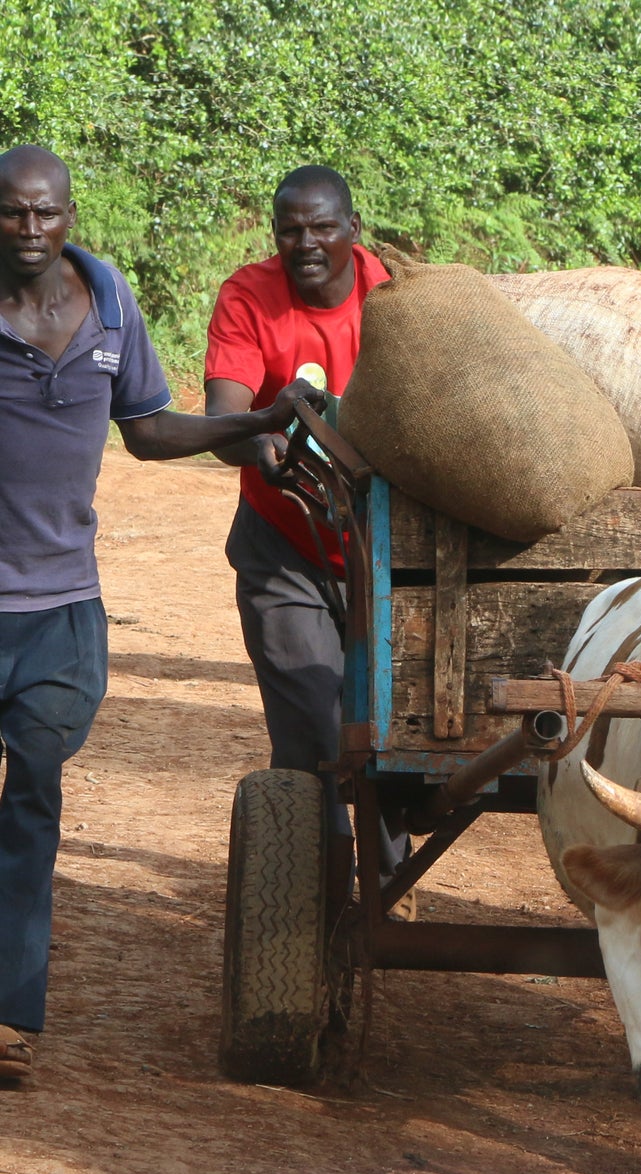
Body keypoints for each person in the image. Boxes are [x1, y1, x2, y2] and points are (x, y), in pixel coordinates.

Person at [0, 146, 321, 1082]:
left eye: (44, 213)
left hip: (61, 612)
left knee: (33, 799)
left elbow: (149, 432)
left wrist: (255, 423)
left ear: (68, 215)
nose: (29, 230)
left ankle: (10, 1018)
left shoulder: (107, 307)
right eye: (12, 213)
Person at [204, 166, 408, 918]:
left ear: (354, 229)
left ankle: (388, 879)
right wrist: (261, 440)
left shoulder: (393, 302)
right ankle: (312, 899)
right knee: (313, 729)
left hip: (383, 548)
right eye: (290, 229)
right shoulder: (249, 296)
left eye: (323, 227)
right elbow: (225, 409)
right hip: (284, 544)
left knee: (392, 725)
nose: (306, 243)